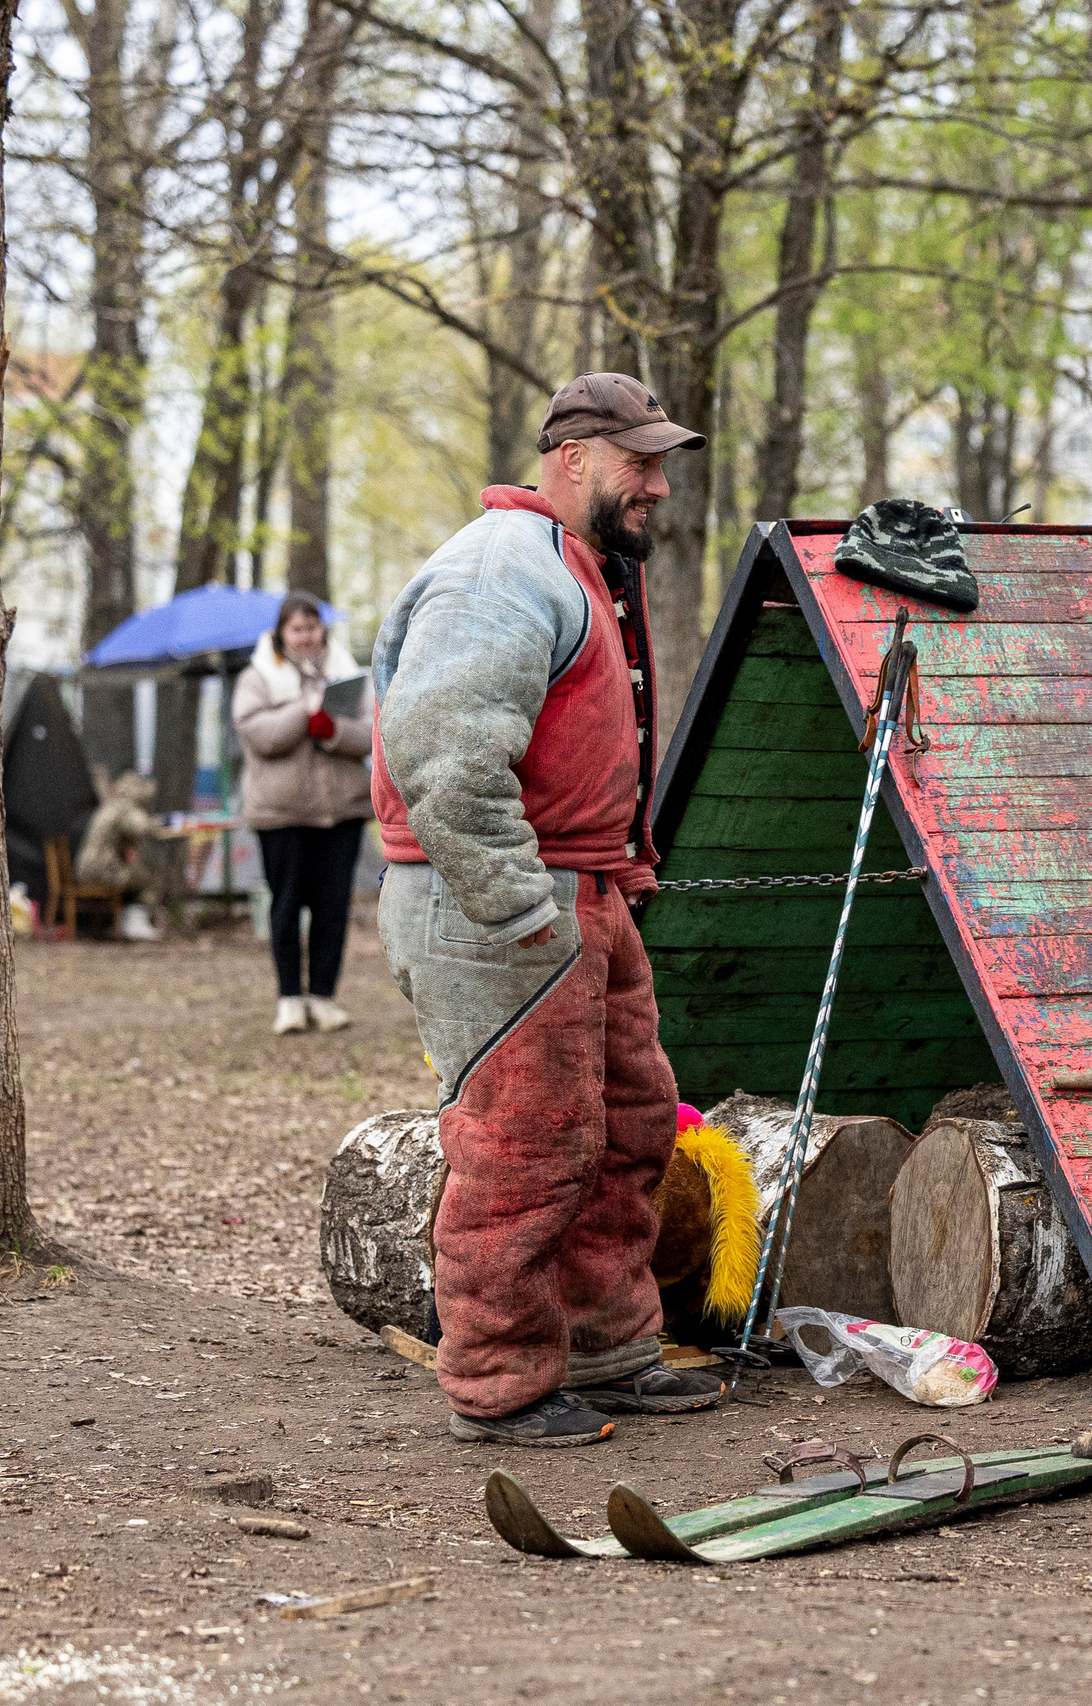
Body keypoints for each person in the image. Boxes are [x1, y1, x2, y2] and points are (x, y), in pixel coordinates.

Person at [371, 372, 721, 1445]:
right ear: (572, 460)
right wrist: (523, 907)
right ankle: (499, 1379)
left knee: (626, 1126)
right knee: (524, 1146)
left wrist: (613, 880)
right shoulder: (498, 571)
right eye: (638, 463)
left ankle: (609, 1345)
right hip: (504, 897)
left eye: (661, 463)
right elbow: (442, 756)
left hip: (580, 888)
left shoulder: (578, 567)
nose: (657, 485)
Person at [234, 592, 373, 1035]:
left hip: (341, 811)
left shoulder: (348, 673)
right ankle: (289, 999)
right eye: (297, 628)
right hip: (282, 813)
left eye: (312, 627)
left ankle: (325, 998)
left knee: (333, 906)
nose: (306, 636)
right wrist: (304, 714)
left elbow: (373, 733)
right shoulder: (257, 677)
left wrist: (333, 731)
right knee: (287, 905)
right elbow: (258, 734)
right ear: (281, 633)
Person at [75, 771, 165, 942]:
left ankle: (129, 921)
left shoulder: (109, 806)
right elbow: (142, 826)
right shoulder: (123, 808)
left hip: (87, 869)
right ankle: (136, 923)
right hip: (102, 870)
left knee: (138, 874)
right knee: (150, 879)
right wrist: (165, 823)